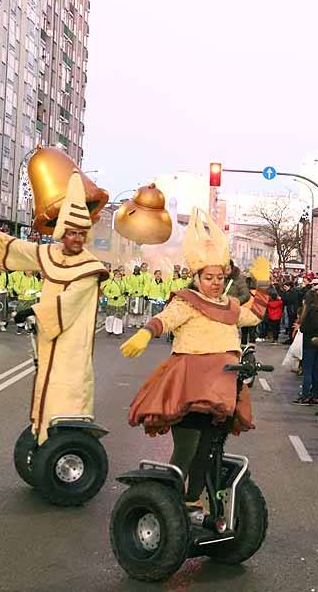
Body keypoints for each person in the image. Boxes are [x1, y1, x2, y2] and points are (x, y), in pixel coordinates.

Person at [121, 210, 271, 512]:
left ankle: (192, 502)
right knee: (187, 448)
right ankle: (169, 504)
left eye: (218, 278)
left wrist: (264, 284)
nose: (214, 283)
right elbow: (166, 318)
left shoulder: (230, 305)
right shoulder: (186, 302)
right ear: (197, 277)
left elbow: (254, 315)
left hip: (223, 387)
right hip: (190, 387)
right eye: (208, 278)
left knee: (209, 449)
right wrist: (146, 333)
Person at [0, 172, 110, 447]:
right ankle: (43, 435)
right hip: (48, 336)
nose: (76, 239)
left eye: (81, 234)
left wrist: (34, 312)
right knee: (47, 383)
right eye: (72, 233)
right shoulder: (50, 255)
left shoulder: (90, 268)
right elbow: (26, 250)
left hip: (72, 339)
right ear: (63, 234)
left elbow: (71, 302)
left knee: (68, 386)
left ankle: (68, 437)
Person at [294, 290, 318, 406]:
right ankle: (315, 395)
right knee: (316, 371)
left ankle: (305, 395)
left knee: (307, 371)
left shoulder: (309, 311)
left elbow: (305, 329)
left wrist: (300, 326)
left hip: (309, 343)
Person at [101, 268, 128, 336]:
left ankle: (117, 332)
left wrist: (128, 292)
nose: (118, 275)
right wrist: (112, 296)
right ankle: (109, 330)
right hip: (112, 302)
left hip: (121, 302)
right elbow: (106, 292)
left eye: (120, 274)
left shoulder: (123, 282)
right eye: (117, 274)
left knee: (119, 317)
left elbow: (129, 288)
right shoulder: (110, 283)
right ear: (114, 275)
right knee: (110, 317)